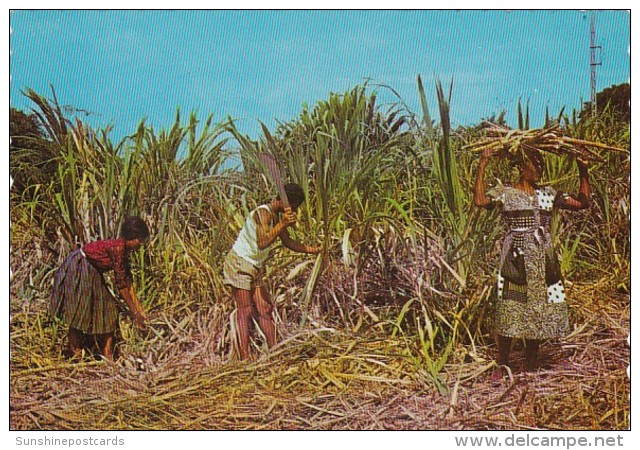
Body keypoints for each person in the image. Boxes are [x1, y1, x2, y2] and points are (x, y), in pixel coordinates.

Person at [474, 148, 590, 378]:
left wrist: (582, 169)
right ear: (522, 167)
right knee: (510, 306)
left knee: (538, 308)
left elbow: (582, 203)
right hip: (515, 258)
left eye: (541, 165)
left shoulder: (548, 194)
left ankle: (530, 362)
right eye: (536, 165)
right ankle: (503, 361)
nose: (540, 170)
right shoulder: (505, 192)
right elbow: (480, 201)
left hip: (542, 258)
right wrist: (483, 163)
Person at [223, 183, 322, 360]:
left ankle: (276, 351)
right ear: (286, 203)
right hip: (239, 263)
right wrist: (283, 223)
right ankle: (244, 358)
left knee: (264, 308)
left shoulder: (275, 217)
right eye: (293, 208)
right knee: (244, 310)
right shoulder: (264, 214)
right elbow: (263, 242)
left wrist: (314, 250)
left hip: (254, 266)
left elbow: (288, 242)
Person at [50, 216, 150, 360]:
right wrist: (135, 314)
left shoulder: (123, 250)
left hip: (92, 270)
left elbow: (127, 282)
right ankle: (77, 354)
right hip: (80, 266)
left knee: (108, 311)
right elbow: (121, 287)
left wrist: (140, 311)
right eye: (140, 241)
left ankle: (107, 354)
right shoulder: (117, 249)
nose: (141, 244)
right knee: (79, 311)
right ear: (132, 239)